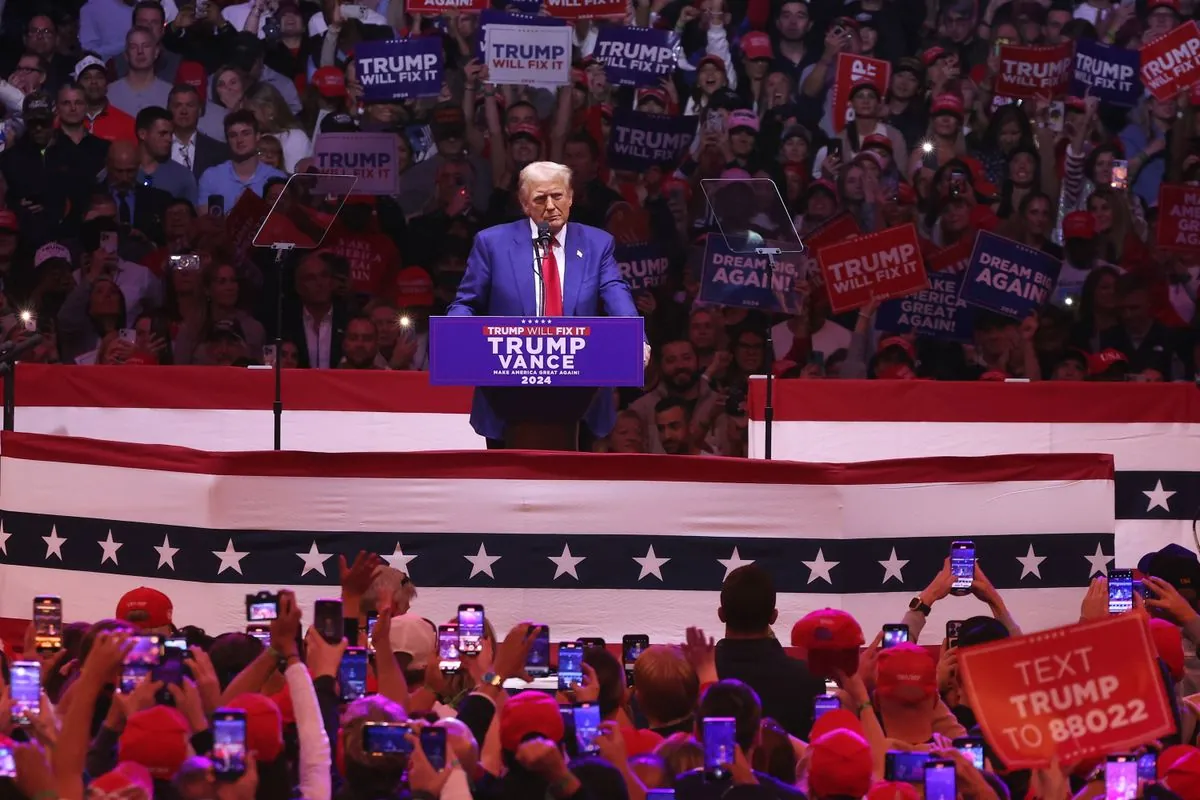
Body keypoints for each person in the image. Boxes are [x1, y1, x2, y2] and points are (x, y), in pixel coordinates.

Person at [447, 161, 648, 448]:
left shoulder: (597, 243)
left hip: (580, 389)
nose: (551, 206)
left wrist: (635, 337)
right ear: (524, 203)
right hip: (507, 387)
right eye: (541, 198)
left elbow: (615, 292)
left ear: (571, 197)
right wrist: (458, 330)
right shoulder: (492, 244)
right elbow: (466, 302)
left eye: (558, 196)